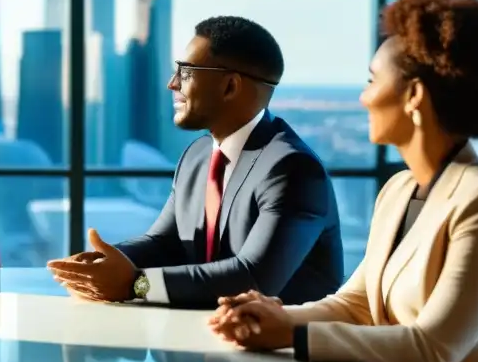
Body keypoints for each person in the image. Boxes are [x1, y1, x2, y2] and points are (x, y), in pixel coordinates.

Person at [207, 0, 478, 362]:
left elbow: (435, 348)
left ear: (415, 97)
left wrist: (291, 333)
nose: (361, 98)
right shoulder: (399, 190)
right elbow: (357, 303)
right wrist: (269, 314)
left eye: (370, 82)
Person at [48, 16, 343, 309]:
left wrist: (136, 284)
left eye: (186, 72)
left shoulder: (293, 168)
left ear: (230, 86)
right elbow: (164, 242)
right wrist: (106, 264)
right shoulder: (197, 155)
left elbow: (253, 278)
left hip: (280, 349)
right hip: (209, 336)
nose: (172, 83)